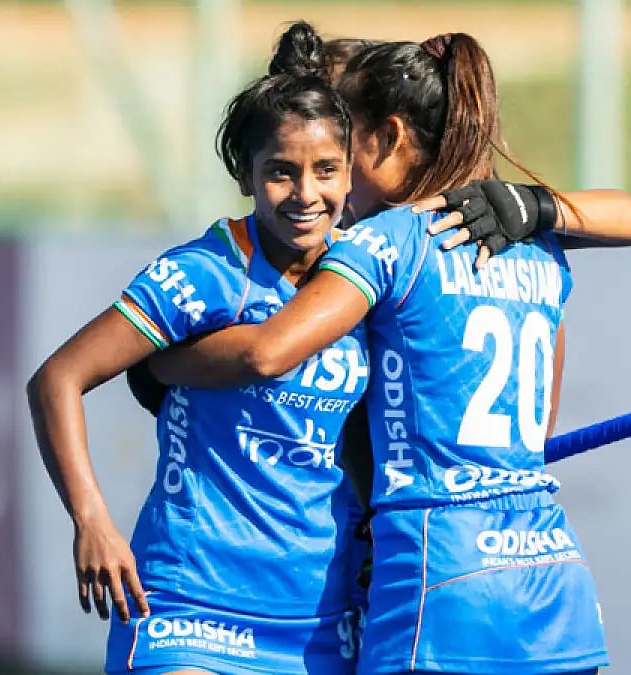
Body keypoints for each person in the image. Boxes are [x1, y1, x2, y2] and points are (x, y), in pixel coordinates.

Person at [140, 30, 631, 674]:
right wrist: (538, 204)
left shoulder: (386, 240)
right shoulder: (539, 247)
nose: (329, 176)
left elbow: (269, 352)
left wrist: (160, 360)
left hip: (440, 582)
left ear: (386, 138)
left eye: (341, 148)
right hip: (555, 589)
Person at [28, 23, 373, 675]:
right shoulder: (205, 272)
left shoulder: (368, 277)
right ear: (245, 175)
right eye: (280, 172)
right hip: (190, 605)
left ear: (350, 174)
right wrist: (92, 518)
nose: (306, 194)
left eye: (326, 170)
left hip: (323, 624)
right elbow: (57, 378)